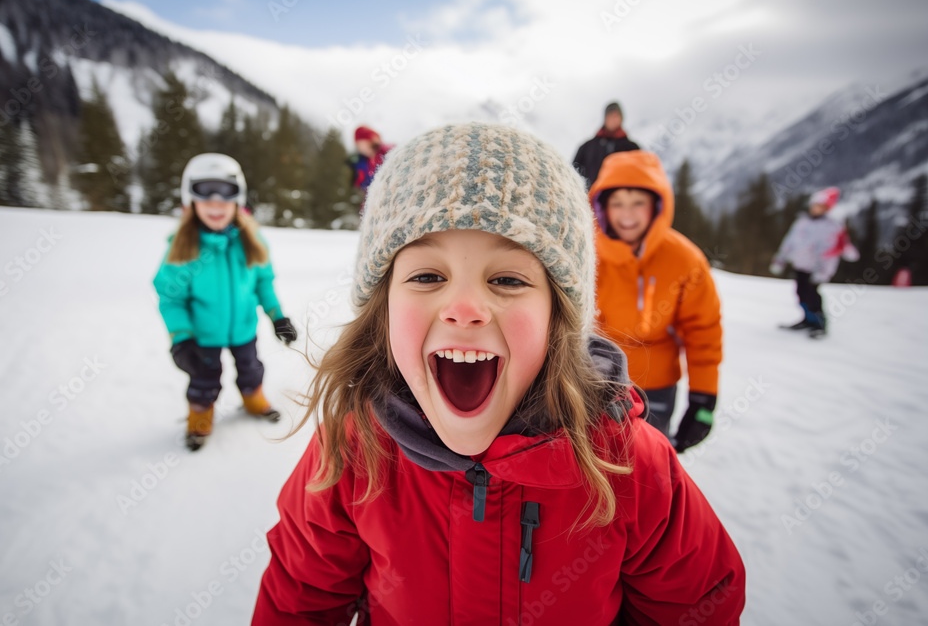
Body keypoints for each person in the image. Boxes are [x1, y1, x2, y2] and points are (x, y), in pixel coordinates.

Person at [252, 124, 744, 623]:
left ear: (559, 316)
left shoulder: (629, 468)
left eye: (508, 279)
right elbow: (298, 601)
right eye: (427, 276)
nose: (465, 309)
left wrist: (701, 397)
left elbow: (700, 607)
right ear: (382, 308)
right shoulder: (351, 453)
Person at [153, 153, 298, 451]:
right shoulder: (183, 248)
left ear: (238, 199)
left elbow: (262, 282)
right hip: (202, 336)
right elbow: (171, 299)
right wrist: (181, 337)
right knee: (204, 378)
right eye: (206, 196)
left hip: (244, 328)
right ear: (190, 200)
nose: (216, 205)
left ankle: (253, 397)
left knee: (251, 367)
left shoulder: (251, 241)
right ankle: (200, 415)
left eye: (225, 195)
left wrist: (277, 316)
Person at [588, 150, 723, 450]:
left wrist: (704, 398)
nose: (627, 214)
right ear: (602, 206)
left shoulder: (685, 259)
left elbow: (703, 331)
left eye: (638, 203)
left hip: (656, 388)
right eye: (617, 203)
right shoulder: (586, 254)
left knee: (649, 468)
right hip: (594, 380)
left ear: (656, 206)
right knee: (592, 466)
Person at [770, 186, 859, 338]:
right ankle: (807, 319)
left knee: (812, 296)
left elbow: (830, 253)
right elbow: (790, 241)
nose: (815, 208)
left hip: (815, 270)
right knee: (800, 293)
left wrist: (823, 272)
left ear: (826, 208)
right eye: (814, 205)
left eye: (819, 206)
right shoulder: (802, 222)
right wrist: (780, 258)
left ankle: (819, 323)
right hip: (800, 265)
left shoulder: (831, 227)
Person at [573, 101, 640, 192]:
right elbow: (573, 174)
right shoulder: (587, 147)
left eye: (616, 116)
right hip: (588, 200)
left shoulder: (632, 148)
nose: (613, 119)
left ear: (621, 119)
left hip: (621, 202)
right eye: (610, 115)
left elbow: (640, 176)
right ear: (605, 118)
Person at [346, 125, 394, 197]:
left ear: (372, 140)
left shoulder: (389, 152)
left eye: (364, 143)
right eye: (359, 145)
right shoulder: (362, 162)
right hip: (373, 201)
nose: (362, 148)